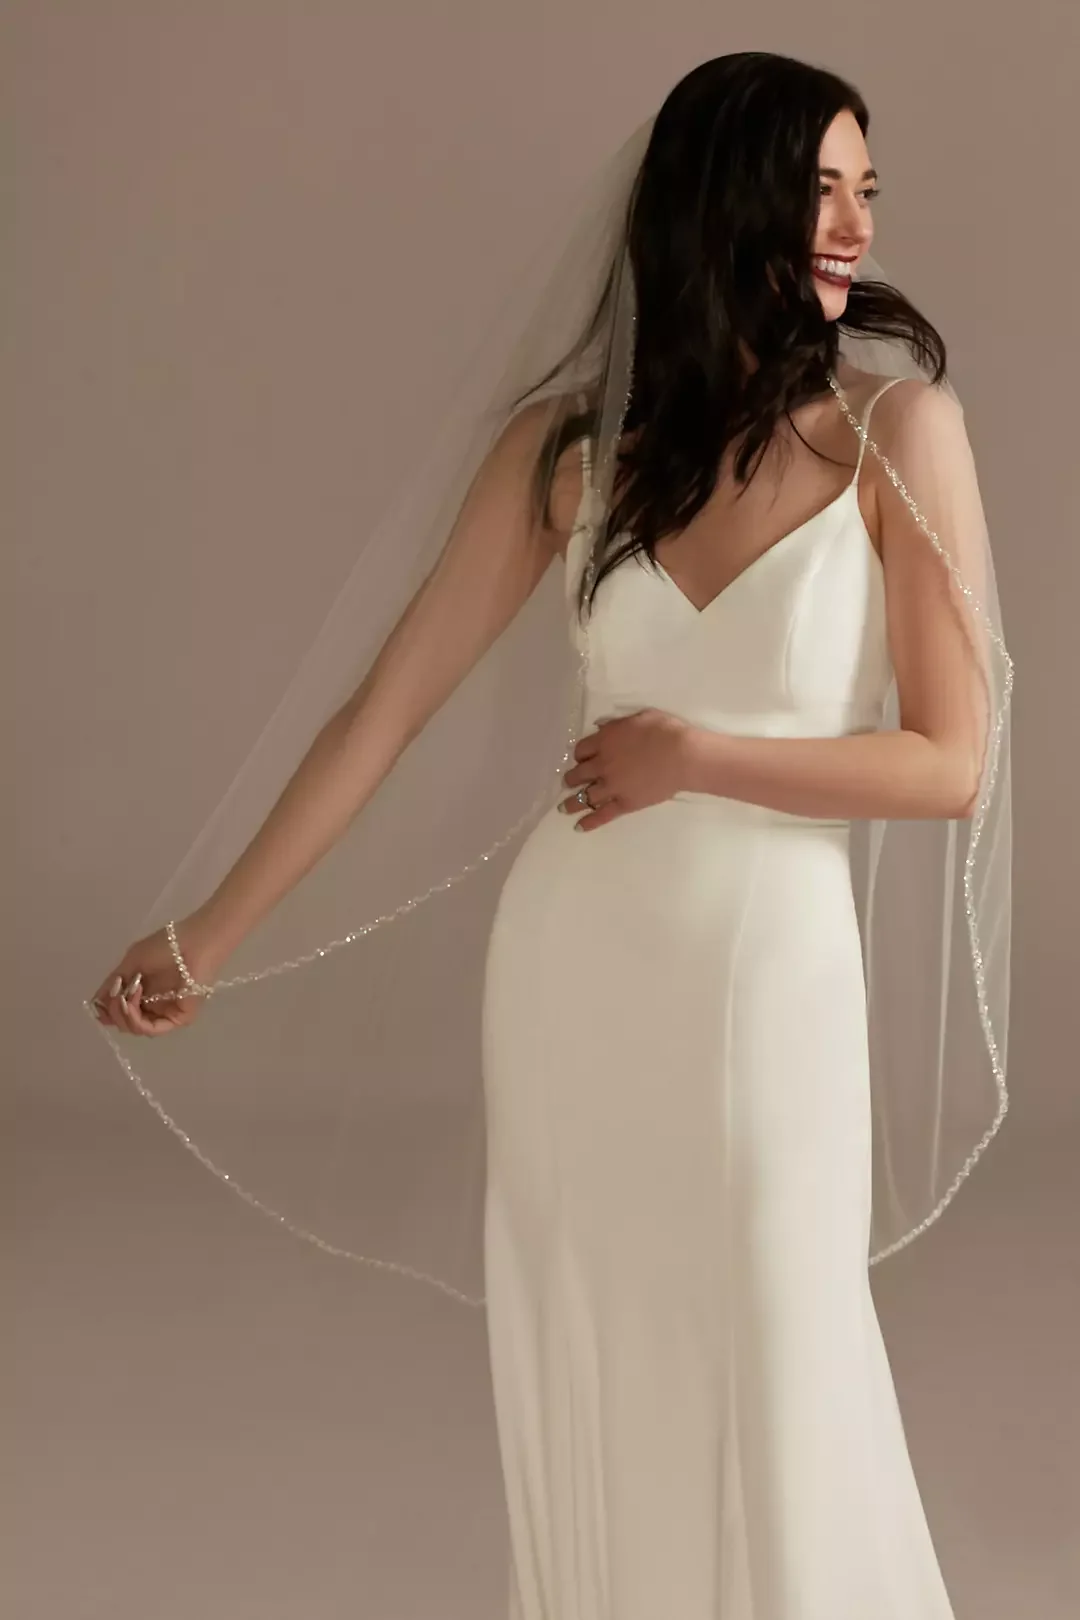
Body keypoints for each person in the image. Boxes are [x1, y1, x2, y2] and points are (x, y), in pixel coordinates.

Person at [89, 52, 1012, 1618]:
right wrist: (208, 937)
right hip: (580, 973)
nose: (853, 226)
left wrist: (698, 755)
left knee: (786, 1354)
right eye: (819, 189)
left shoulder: (896, 436)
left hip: (770, 982)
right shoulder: (562, 457)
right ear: (725, 203)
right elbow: (381, 711)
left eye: (869, 191)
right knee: (591, 1354)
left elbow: (952, 766)